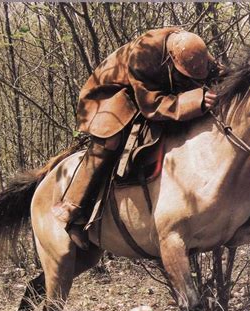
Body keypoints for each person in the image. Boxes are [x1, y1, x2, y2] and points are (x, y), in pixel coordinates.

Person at [52, 27, 221, 249]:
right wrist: (194, 101)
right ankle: (72, 209)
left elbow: (218, 73)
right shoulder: (144, 54)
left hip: (154, 91)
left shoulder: (191, 50)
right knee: (110, 140)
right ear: (171, 61)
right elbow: (151, 104)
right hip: (112, 96)